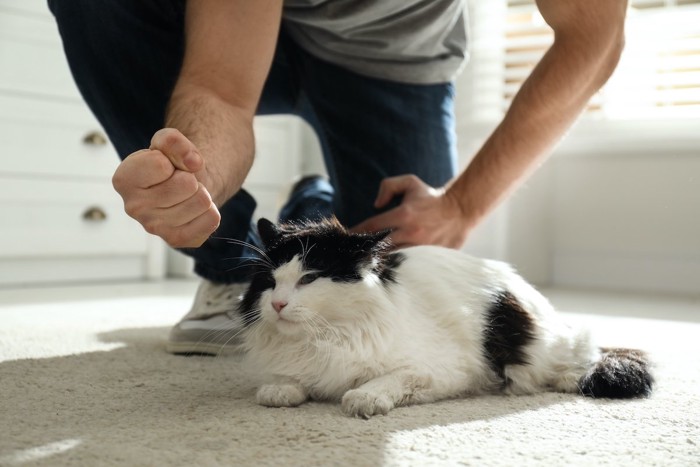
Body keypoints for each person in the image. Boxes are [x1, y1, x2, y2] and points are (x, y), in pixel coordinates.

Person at [49, 0, 627, 354]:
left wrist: (462, 207)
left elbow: (592, 36)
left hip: (395, 61)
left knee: (401, 268)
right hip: (253, 39)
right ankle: (234, 268)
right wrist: (195, 180)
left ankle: (311, 207)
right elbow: (220, 88)